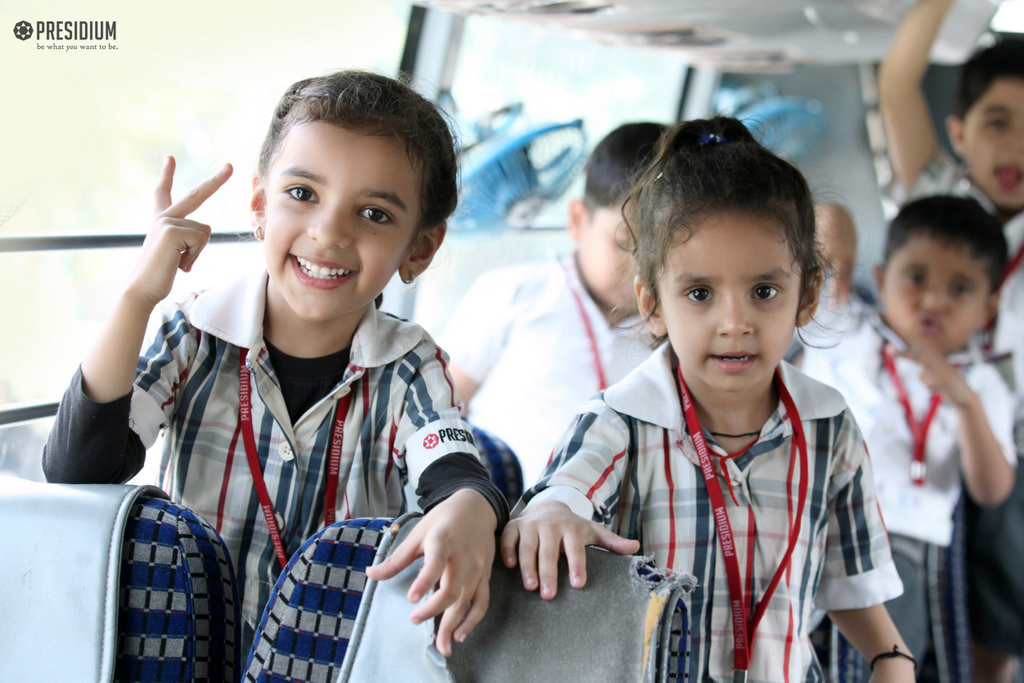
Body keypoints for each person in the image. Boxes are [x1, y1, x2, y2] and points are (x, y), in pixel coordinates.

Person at [42, 70, 507, 658]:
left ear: (419, 247)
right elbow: (77, 469)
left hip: (330, 661)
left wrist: (471, 507)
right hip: (182, 655)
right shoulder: (193, 334)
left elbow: (454, 469)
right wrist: (138, 295)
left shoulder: (411, 366)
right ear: (260, 206)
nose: (329, 232)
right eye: (303, 194)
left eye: (375, 214)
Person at [500, 117, 913, 683]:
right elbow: (565, 492)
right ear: (652, 303)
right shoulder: (620, 420)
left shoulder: (828, 425)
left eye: (764, 292)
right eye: (699, 293)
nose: (734, 323)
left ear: (807, 295)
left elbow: (849, 580)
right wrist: (548, 512)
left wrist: (892, 660)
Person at [802, 195, 1016, 679]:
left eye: (959, 288)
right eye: (915, 278)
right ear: (880, 280)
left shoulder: (982, 385)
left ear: (989, 308)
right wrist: (835, 225)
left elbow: (993, 490)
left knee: (897, 631)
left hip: (907, 548)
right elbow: (819, 233)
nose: (933, 301)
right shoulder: (848, 332)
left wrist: (965, 405)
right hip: (817, 522)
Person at [879, 7, 1024, 680]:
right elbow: (898, 82)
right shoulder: (941, 202)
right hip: (925, 442)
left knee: (999, 623)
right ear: (961, 132)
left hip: (1005, 448)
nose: (1018, 146)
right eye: (1000, 122)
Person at [439, 122, 665, 486]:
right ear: (577, 220)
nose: (642, 268)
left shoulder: (677, 335)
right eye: (624, 243)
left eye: (660, 251)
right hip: (493, 512)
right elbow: (437, 418)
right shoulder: (513, 295)